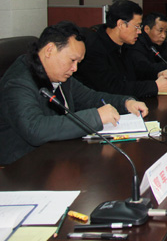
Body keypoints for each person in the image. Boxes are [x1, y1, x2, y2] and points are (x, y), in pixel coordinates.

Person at [0, 21, 148, 165]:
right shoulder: (18, 82)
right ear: (49, 50)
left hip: (57, 155)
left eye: (78, 62)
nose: (75, 68)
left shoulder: (59, 75)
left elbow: (90, 97)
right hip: (22, 167)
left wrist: (125, 103)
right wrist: (96, 117)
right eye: (72, 60)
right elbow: (35, 129)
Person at [75, 0, 167, 98]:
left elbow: (137, 73)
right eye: (137, 26)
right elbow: (113, 88)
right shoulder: (93, 49)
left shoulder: (125, 45)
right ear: (121, 24)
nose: (139, 32)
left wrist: (158, 75)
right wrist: (155, 86)